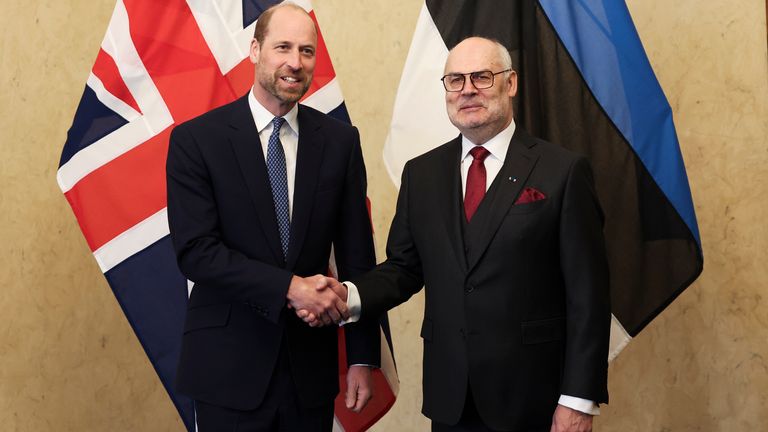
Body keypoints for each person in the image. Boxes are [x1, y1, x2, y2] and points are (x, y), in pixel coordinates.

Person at [301, 36, 611, 432]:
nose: (467, 90)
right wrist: (349, 295)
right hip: (452, 399)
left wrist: (578, 400)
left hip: (536, 399)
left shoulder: (563, 172)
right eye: (455, 80)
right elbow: (404, 269)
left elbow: (589, 294)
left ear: (510, 83)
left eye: (482, 77)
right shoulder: (422, 174)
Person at [166, 3, 379, 431]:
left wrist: (361, 357)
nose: (295, 63)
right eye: (282, 47)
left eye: (306, 51)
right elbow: (197, 253)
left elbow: (358, 257)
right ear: (255, 50)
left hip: (310, 374)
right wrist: (290, 288)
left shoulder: (340, 142)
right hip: (227, 370)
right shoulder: (196, 140)